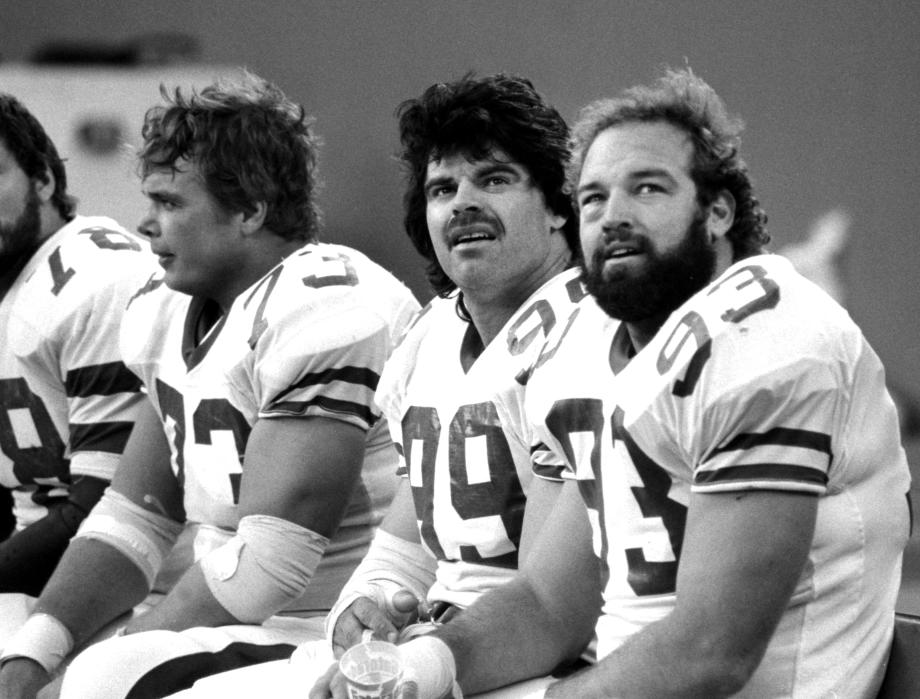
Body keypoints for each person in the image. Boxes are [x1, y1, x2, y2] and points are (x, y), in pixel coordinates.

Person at [319, 67, 913, 698]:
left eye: (648, 189)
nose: (613, 216)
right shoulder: (594, 345)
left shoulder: (765, 336)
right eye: (595, 198)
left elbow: (710, 655)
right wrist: (421, 669)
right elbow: (549, 602)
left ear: (717, 210)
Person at [0, 72, 419, 698]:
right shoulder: (164, 310)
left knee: (101, 678)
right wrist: (34, 657)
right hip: (232, 622)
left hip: (329, 631)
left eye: (170, 203)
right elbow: (131, 520)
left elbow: (269, 565)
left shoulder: (328, 305)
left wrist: (102, 663)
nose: (146, 224)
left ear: (250, 208)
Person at [178, 72, 587, 699]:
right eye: (443, 187)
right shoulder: (431, 337)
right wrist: (364, 612)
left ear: (560, 203)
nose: (463, 203)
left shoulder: (581, 331)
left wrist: (423, 661)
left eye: (496, 179)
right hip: (443, 642)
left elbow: (547, 610)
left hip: (540, 660)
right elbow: (406, 544)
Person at [0, 93, 154, 596]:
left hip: (135, 587)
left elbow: (109, 506)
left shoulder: (98, 281)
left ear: (42, 179)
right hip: (35, 573)